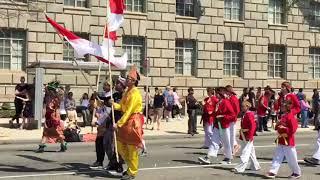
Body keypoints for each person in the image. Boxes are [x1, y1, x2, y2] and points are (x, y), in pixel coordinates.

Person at [113, 66, 143, 180]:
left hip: (133, 122)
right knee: (120, 146)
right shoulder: (126, 92)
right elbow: (121, 106)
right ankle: (130, 167)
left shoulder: (135, 93)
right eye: (127, 78)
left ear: (134, 81)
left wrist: (119, 123)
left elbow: (129, 110)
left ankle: (132, 172)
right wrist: (113, 104)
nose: (126, 80)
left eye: (129, 78)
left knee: (132, 149)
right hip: (126, 122)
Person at [198, 87, 235, 164]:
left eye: (217, 93)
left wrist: (223, 117)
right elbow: (215, 113)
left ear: (220, 94)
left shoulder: (225, 102)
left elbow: (232, 115)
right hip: (217, 125)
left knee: (226, 142)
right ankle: (208, 157)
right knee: (214, 141)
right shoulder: (218, 103)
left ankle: (228, 158)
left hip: (224, 125)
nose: (215, 94)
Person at [266, 100, 301, 179]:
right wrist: (277, 125)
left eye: (282, 106)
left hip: (288, 141)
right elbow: (277, 127)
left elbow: (293, 130)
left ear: (287, 107)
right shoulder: (283, 116)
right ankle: (273, 171)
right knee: (277, 156)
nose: (281, 107)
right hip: (281, 139)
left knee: (292, 158)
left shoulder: (291, 116)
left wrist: (285, 128)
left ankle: (296, 172)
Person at [36, 81, 67, 153]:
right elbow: (46, 90)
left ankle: (63, 145)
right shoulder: (47, 98)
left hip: (55, 118)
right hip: (48, 117)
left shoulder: (57, 99)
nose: (49, 92)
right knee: (45, 132)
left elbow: (61, 94)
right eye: (49, 91)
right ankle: (41, 146)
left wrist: (58, 90)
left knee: (58, 133)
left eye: (51, 91)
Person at [104, 76, 126, 173]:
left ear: (122, 85)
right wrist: (98, 97)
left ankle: (118, 164)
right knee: (106, 143)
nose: (115, 85)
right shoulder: (115, 95)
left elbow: (124, 108)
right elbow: (106, 100)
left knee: (116, 145)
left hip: (120, 123)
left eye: (117, 83)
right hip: (111, 121)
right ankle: (112, 162)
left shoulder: (126, 96)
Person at [233, 101, 260, 173]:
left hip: (247, 135)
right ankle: (255, 166)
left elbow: (253, 126)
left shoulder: (249, 114)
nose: (241, 108)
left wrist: (250, 135)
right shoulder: (244, 114)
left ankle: (240, 167)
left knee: (245, 152)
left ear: (247, 107)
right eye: (241, 106)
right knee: (251, 152)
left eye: (243, 106)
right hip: (244, 135)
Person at [90, 99, 111, 169]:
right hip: (100, 131)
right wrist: (95, 108)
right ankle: (99, 161)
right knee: (99, 146)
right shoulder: (101, 108)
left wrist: (96, 123)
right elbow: (97, 114)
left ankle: (112, 163)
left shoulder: (108, 109)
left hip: (106, 130)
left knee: (108, 148)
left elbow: (103, 118)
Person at [226, 85, 241, 155]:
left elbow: (237, 110)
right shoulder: (229, 98)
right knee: (228, 134)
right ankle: (234, 146)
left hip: (232, 119)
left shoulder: (234, 99)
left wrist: (233, 117)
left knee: (231, 135)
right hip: (228, 119)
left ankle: (233, 148)